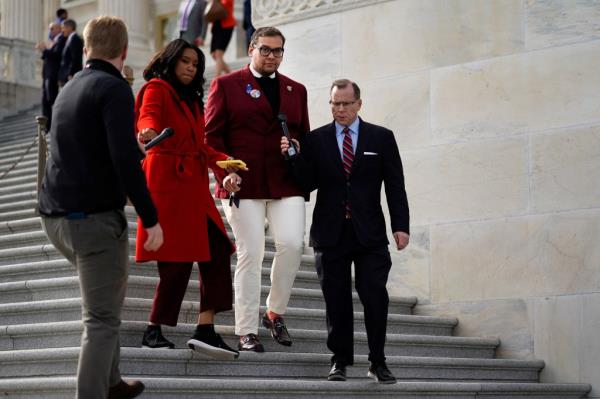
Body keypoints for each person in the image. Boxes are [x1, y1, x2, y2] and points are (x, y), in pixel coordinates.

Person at [38, 16, 163, 399]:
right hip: (91, 221)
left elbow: (86, 150)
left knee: (103, 305)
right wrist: (151, 218)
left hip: (55, 216)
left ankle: (112, 382)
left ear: (87, 48)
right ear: (124, 52)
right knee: (102, 319)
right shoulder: (114, 88)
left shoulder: (69, 88)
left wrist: (126, 152)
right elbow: (124, 161)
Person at [281, 79, 410, 384]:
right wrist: (293, 156)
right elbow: (306, 183)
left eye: (345, 104)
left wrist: (400, 226)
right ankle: (339, 360)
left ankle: (378, 361)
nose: (339, 109)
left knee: (375, 296)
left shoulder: (381, 138)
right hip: (330, 233)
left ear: (358, 104)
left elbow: (395, 185)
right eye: (334, 104)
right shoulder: (315, 140)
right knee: (335, 300)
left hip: (370, 235)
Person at [205, 26, 310, 352]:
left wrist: (295, 144)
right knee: (252, 253)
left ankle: (274, 312)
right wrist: (223, 171)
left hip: (285, 181)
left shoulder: (296, 89)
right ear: (251, 49)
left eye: (278, 51)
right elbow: (210, 137)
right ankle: (246, 329)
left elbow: (305, 136)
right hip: (242, 182)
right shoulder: (225, 85)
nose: (271, 56)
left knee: (293, 245)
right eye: (265, 49)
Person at [135, 38, 240, 360]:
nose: (191, 68)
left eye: (195, 64)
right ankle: (154, 329)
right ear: (171, 61)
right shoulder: (157, 88)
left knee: (218, 249)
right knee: (176, 261)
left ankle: (205, 328)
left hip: (193, 188)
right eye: (185, 62)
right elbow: (147, 117)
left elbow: (201, 148)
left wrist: (226, 165)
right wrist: (147, 132)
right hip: (167, 181)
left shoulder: (193, 101)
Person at [36, 22, 66, 130]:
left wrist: (44, 50)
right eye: (49, 28)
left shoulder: (61, 39)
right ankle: (47, 127)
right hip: (47, 75)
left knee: (52, 99)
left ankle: (56, 124)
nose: (50, 31)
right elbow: (48, 57)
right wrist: (44, 51)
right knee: (45, 101)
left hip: (53, 75)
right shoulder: (53, 41)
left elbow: (56, 56)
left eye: (52, 28)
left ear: (59, 29)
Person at [209, 0, 235, 76]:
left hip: (226, 26)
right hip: (216, 26)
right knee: (214, 54)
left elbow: (225, 4)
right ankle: (230, 74)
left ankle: (217, 78)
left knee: (218, 54)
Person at [58, 19, 83, 87]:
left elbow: (75, 58)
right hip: (66, 75)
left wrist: (71, 74)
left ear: (70, 28)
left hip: (71, 76)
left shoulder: (75, 39)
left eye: (63, 28)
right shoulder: (70, 39)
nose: (62, 31)